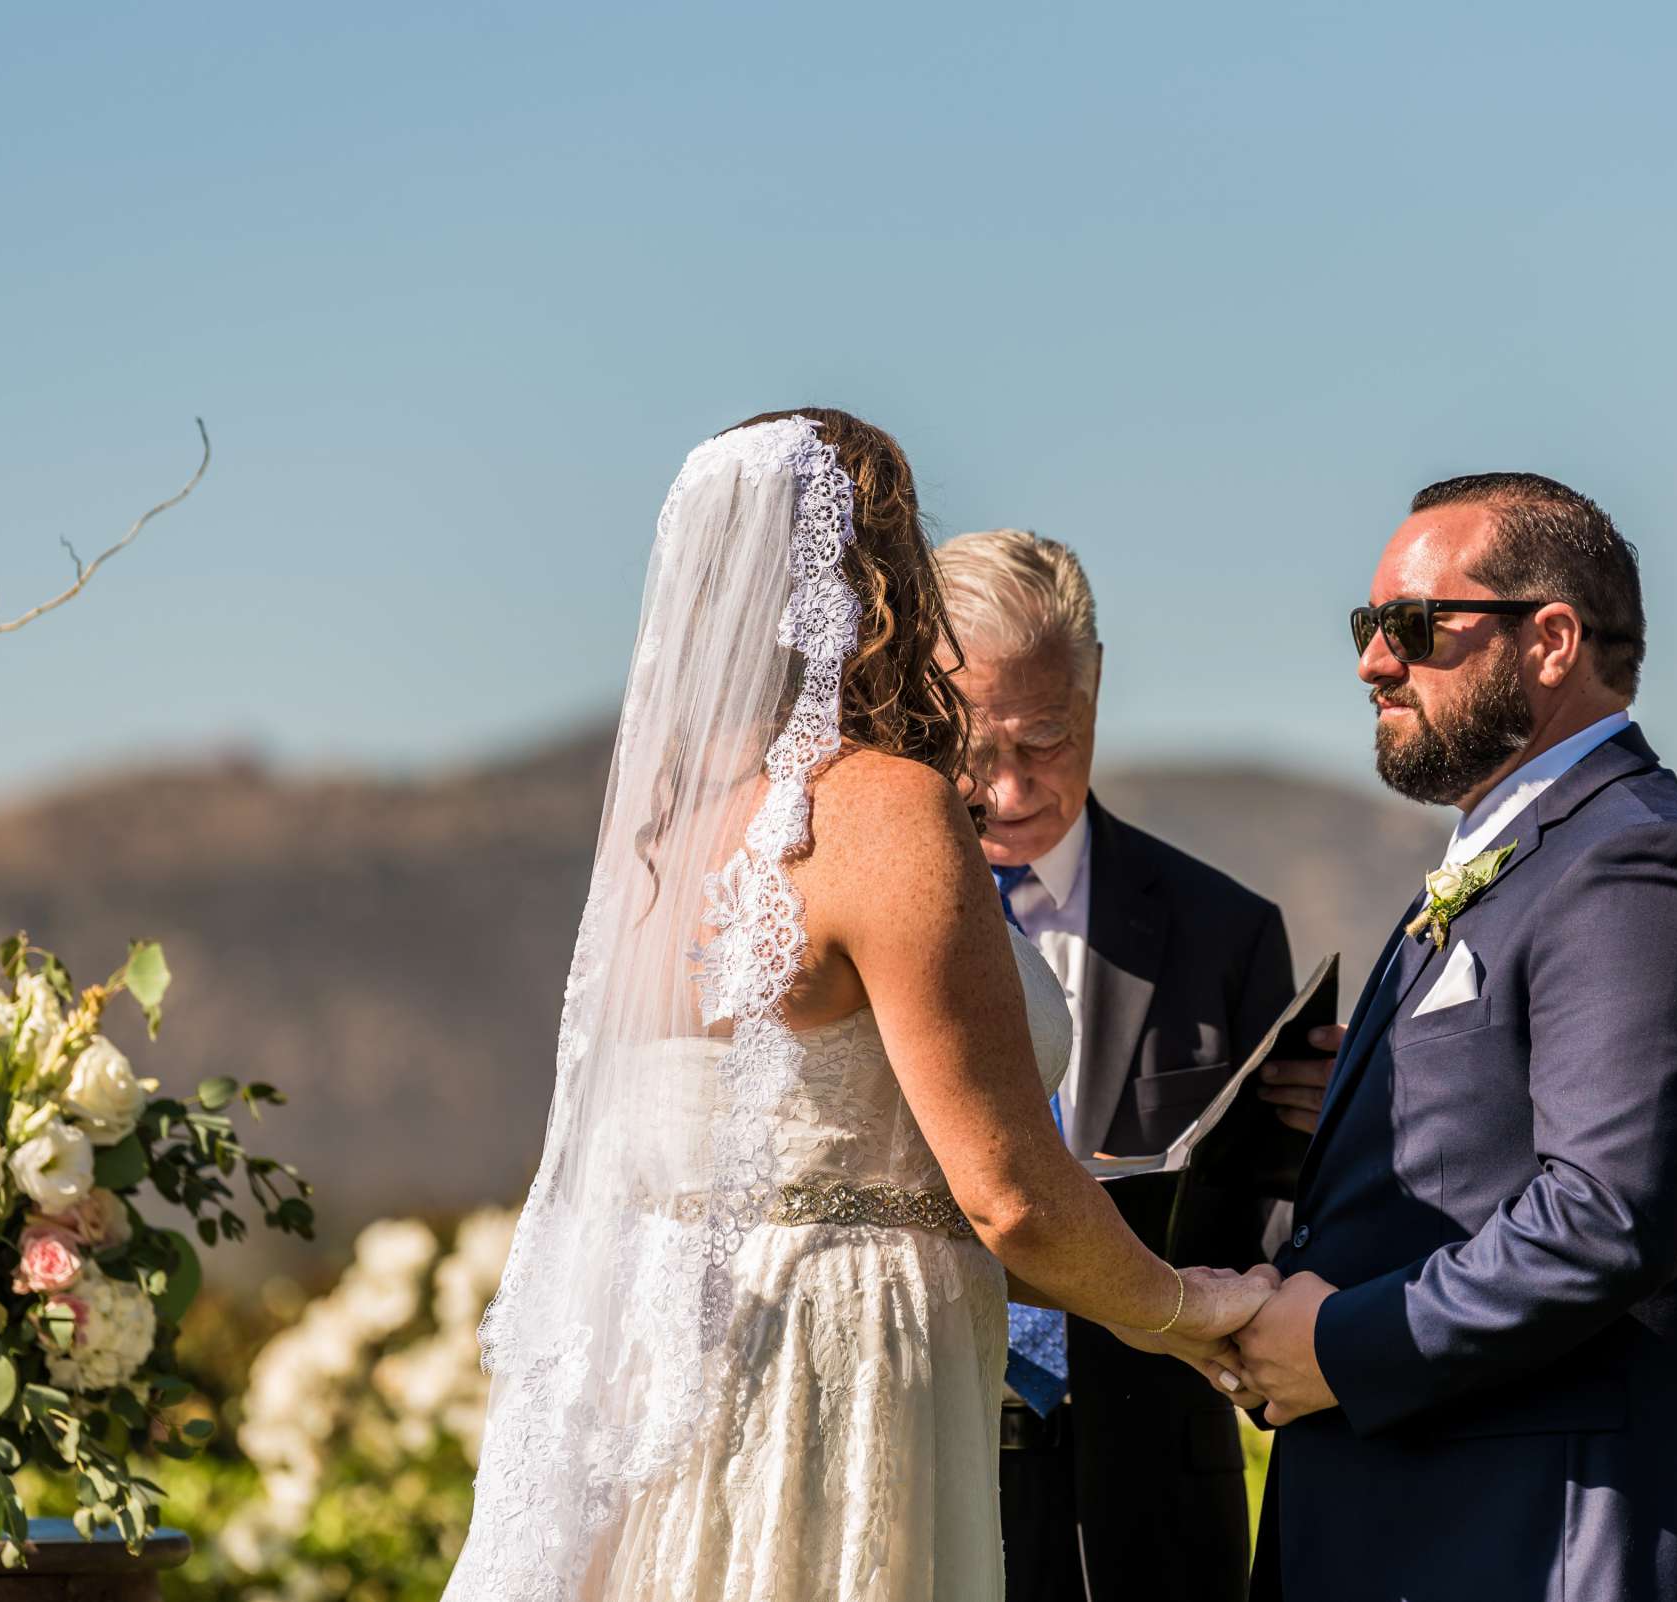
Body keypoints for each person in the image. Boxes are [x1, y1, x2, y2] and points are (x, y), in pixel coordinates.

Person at [443, 411, 1277, 1602]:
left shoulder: (667, 842)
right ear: (878, 585)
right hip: (834, 1377)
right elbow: (1004, 1197)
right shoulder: (882, 808)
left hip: (672, 1360)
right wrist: (1190, 1311)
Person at [1220, 473, 1677, 1602]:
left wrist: (1337, 1346)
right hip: (1423, 1528)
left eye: (1413, 626)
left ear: (1551, 640)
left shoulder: (1637, 863)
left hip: (1549, 1539)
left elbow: (1605, 1219)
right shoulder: (1521, 855)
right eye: (1366, 627)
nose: (1372, 663)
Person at [931, 530, 1297, 1602]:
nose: (1005, 790)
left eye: (1042, 738)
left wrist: (1314, 1141)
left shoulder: (1225, 932)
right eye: (972, 743)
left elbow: (1272, 1229)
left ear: (1094, 687)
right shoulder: (870, 923)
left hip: (1151, 1495)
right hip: (924, 1447)